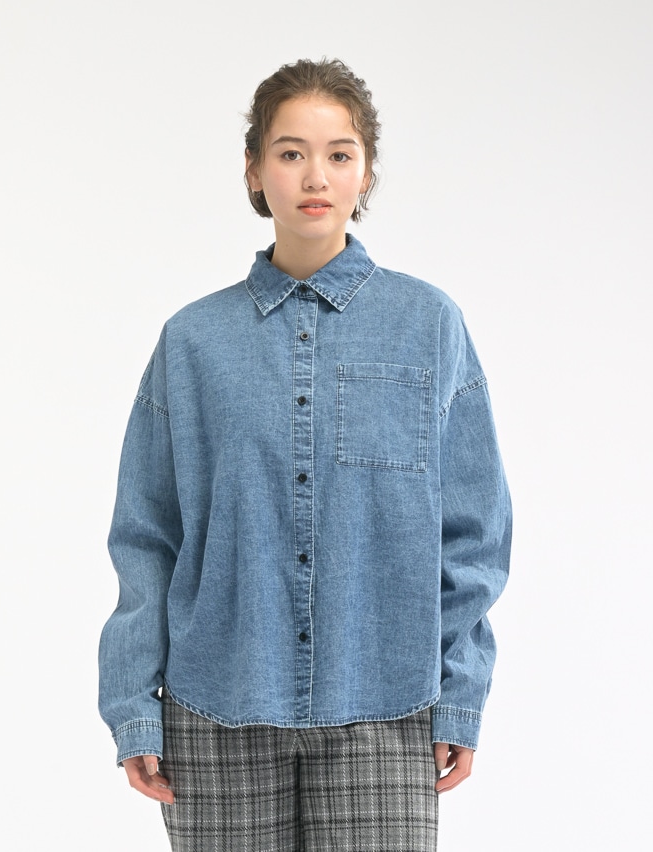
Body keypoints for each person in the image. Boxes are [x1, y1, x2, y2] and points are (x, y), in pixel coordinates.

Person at [99, 57, 512, 851]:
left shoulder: (429, 325)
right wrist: (132, 704)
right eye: (290, 153)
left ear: (366, 172)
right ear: (255, 171)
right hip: (216, 709)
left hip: (385, 708)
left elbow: (473, 531)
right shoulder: (192, 342)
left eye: (339, 154)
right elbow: (147, 536)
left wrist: (461, 692)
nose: (315, 176)